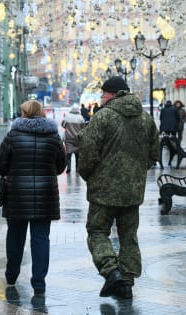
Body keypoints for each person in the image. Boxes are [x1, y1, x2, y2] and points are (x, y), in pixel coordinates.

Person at [78, 76, 159, 299]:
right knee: (128, 236)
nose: (101, 98)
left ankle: (111, 271)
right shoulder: (145, 118)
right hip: (133, 192)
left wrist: (89, 175)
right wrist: (136, 174)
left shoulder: (102, 117)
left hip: (103, 191)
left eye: (103, 94)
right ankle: (126, 284)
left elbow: (87, 153)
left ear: (112, 94)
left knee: (97, 231)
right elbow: (154, 153)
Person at [0, 100, 67, 295]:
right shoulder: (53, 136)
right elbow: (61, 166)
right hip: (45, 196)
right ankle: (39, 283)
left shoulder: (13, 135)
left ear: (25, 113)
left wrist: (13, 170)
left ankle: (11, 275)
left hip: (16, 194)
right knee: (41, 238)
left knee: (15, 235)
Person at [61, 104, 85, 172]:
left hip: (68, 138)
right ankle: (77, 167)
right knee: (77, 154)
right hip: (78, 138)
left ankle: (69, 167)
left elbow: (63, 125)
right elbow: (83, 128)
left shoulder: (67, 117)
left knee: (68, 153)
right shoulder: (81, 118)